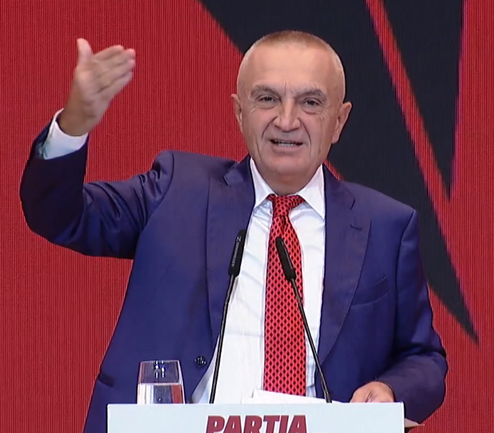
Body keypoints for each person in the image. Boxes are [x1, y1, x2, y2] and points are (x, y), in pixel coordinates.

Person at [20, 31, 447, 432]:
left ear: (339, 120)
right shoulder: (176, 190)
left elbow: (423, 357)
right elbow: (59, 214)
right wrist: (72, 127)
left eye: (310, 102)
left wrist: (391, 391)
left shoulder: (386, 226)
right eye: (267, 98)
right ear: (240, 112)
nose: (286, 120)